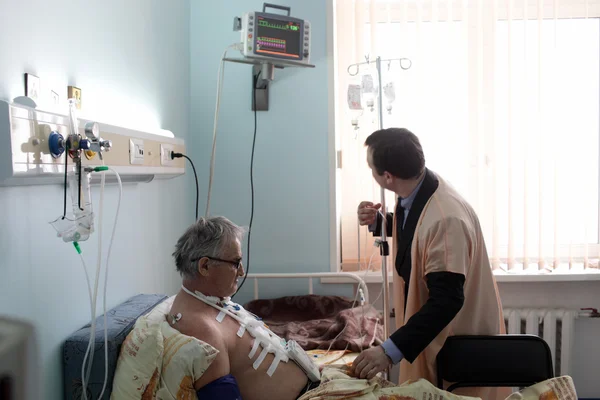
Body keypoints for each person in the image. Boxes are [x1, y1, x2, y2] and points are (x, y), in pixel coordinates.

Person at [351, 128, 510, 400]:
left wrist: (388, 352)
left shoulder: (446, 219)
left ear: (387, 177)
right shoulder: (418, 189)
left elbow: (446, 301)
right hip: (434, 338)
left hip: (453, 345)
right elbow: (417, 233)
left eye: (371, 168)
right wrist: (379, 222)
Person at [167, 216, 318, 400]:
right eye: (235, 262)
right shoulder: (203, 330)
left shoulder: (210, 302)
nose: (241, 272)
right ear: (205, 266)